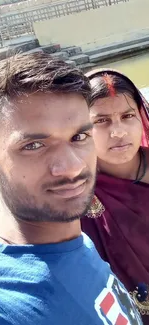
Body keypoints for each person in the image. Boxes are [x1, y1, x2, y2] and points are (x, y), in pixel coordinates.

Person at [0, 54, 142, 325]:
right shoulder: (7, 303)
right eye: (34, 145)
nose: (72, 167)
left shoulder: (78, 244)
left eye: (79, 137)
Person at [81, 68, 149, 324]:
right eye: (101, 120)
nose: (118, 131)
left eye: (127, 116)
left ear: (140, 117)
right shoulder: (76, 191)